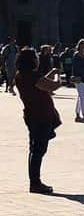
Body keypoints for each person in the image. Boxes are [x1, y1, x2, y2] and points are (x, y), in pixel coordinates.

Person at [15, 47, 63, 194]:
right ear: (32, 61)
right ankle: (35, 183)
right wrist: (58, 77)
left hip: (31, 115)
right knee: (39, 150)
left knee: (34, 148)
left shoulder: (20, 75)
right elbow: (52, 86)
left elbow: (40, 84)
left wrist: (51, 73)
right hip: (41, 115)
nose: (37, 59)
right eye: (35, 57)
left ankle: (34, 181)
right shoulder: (33, 76)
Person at [72, 39, 84, 123]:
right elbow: (76, 68)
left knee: (80, 97)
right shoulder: (77, 55)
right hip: (79, 78)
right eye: (82, 46)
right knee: (82, 97)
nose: (83, 47)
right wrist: (81, 75)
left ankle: (77, 114)